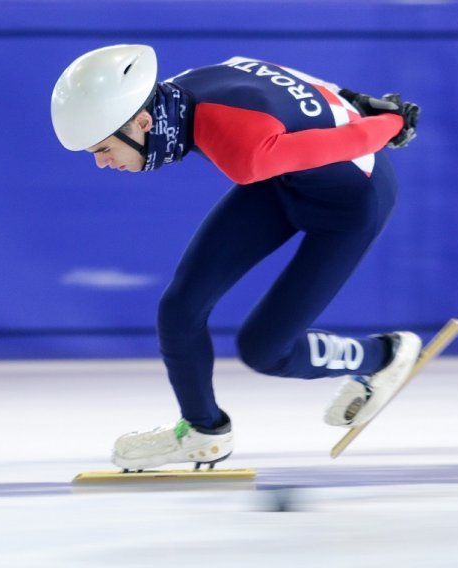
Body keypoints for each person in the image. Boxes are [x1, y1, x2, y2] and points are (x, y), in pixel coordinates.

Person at [51, 44, 423, 471]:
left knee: (265, 350)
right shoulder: (180, 91)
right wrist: (354, 97)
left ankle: (386, 356)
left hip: (352, 204)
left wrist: (390, 121)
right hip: (286, 181)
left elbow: (352, 140)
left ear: (142, 121)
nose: (101, 163)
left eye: (103, 148)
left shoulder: (243, 153)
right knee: (179, 310)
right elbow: (280, 77)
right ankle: (203, 432)